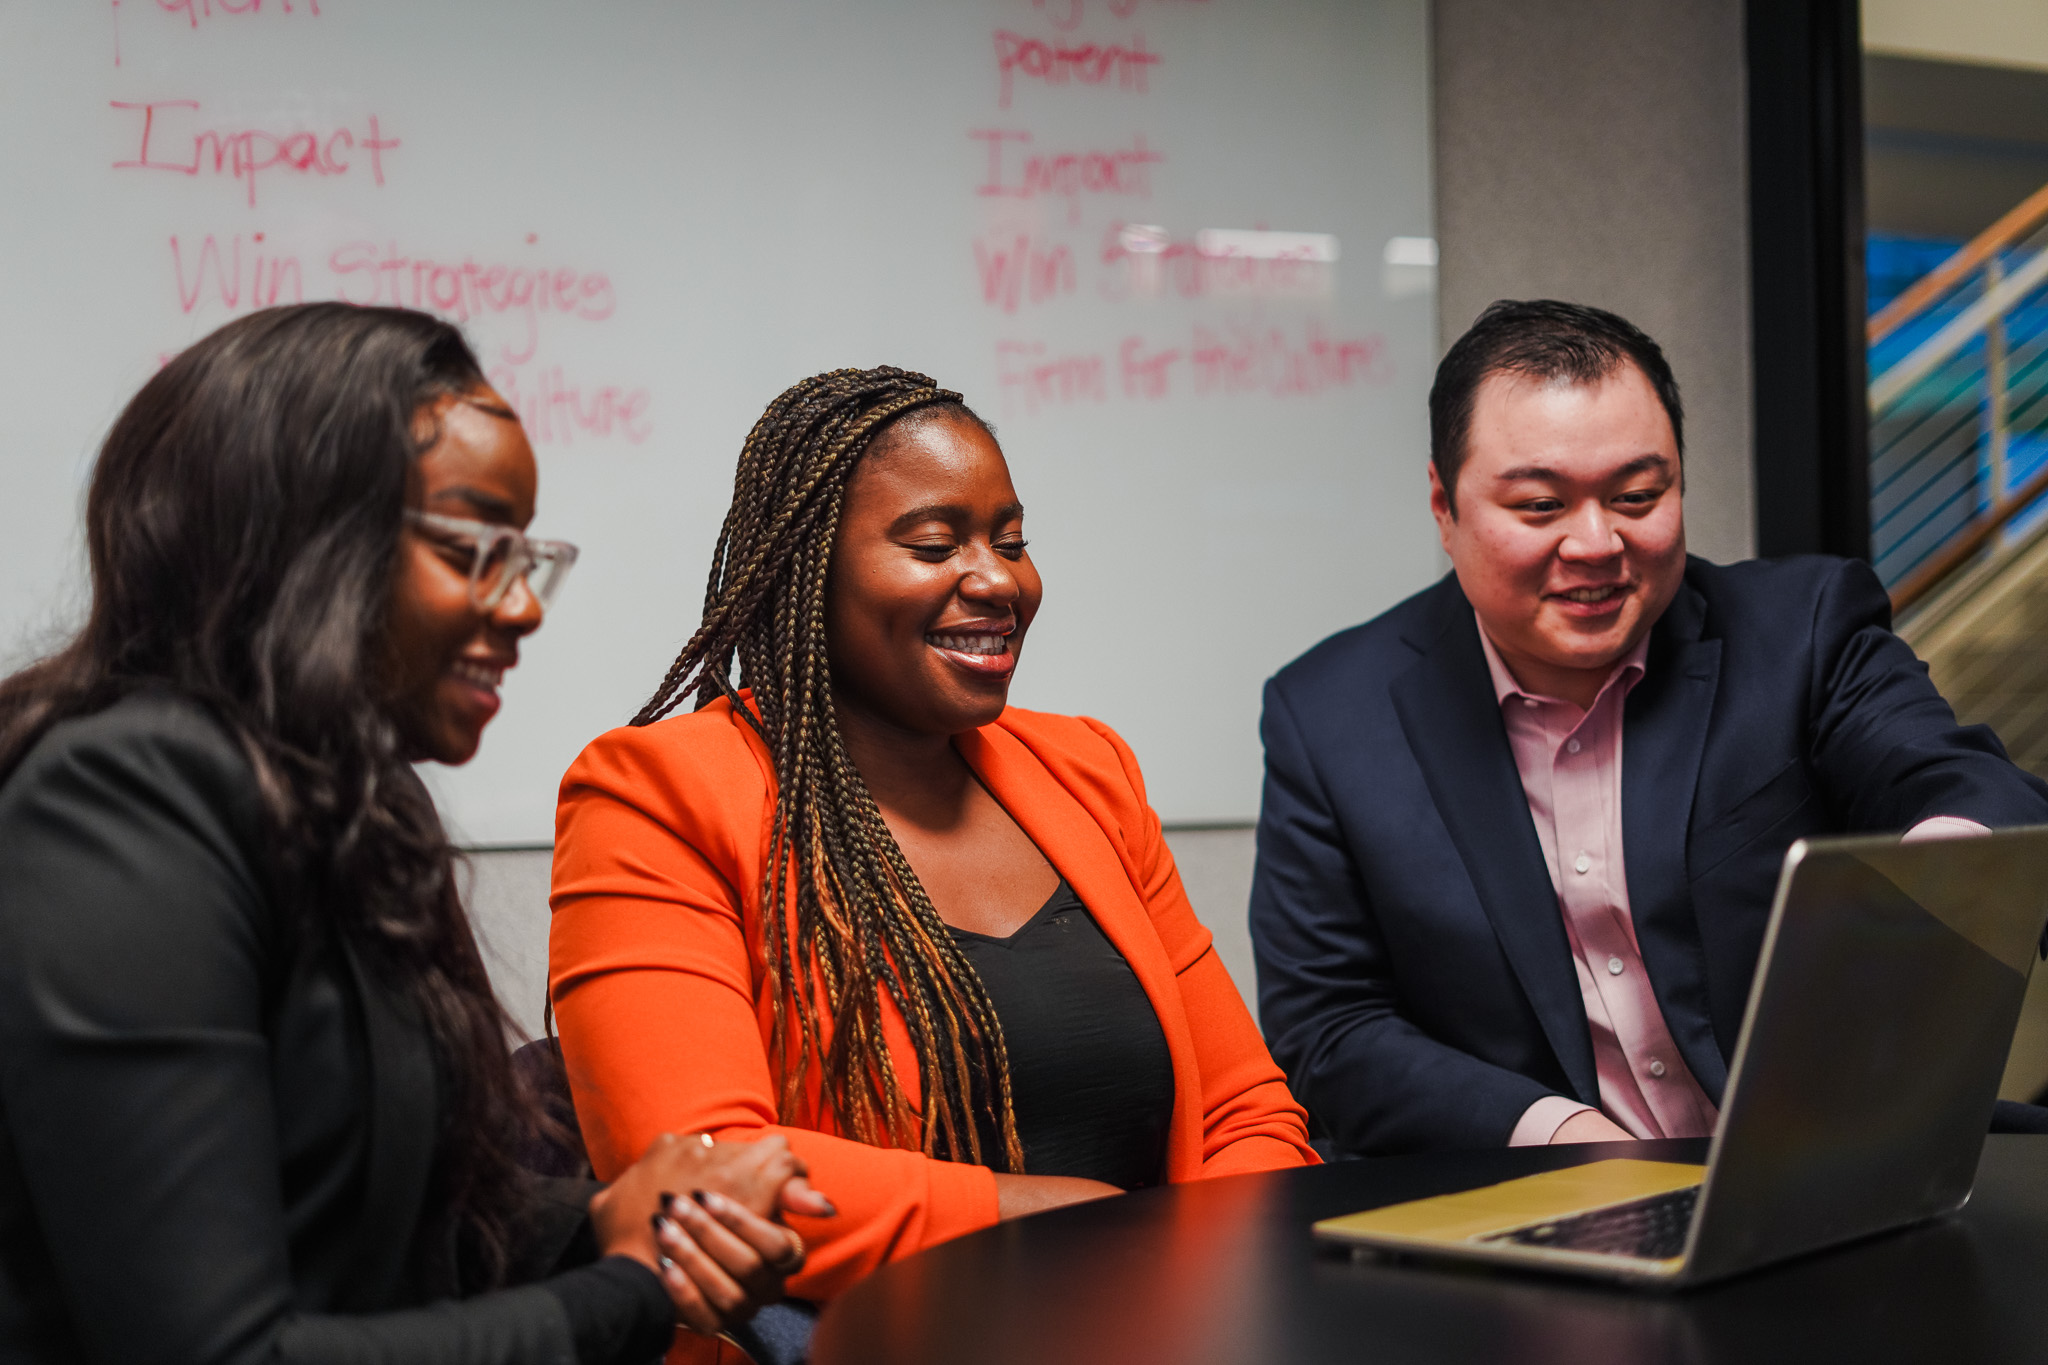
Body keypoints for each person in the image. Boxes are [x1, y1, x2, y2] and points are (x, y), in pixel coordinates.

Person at [0, 303, 832, 1365]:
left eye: (526, 555)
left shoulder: (349, 809)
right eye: (473, 547)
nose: (523, 607)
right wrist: (631, 1287)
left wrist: (608, 1218)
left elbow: (381, 1220)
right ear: (300, 541)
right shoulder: (124, 797)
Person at [549, 366, 1317, 1327]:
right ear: (808, 567)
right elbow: (702, 1174)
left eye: (1012, 540)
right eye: (932, 543)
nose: (998, 580)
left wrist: (1211, 1267)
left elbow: (1247, 1107)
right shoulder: (656, 793)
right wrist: (1048, 1224)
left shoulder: (1086, 768)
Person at [1250, 299, 2048, 1158]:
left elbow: (1969, 788)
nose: (1596, 543)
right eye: (1540, 506)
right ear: (1444, 507)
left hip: (1849, 1169)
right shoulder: (1330, 715)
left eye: (1637, 495)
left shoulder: (1800, 630)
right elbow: (1331, 1024)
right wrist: (1559, 1136)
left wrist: (1929, 897)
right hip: (1540, 1205)